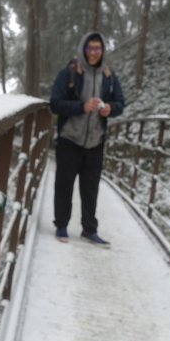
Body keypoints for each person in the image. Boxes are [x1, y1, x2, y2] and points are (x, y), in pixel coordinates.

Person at [49, 32, 125, 248]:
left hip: (95, 142)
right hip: (69, 140)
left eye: (97, 49)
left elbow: (120, 102)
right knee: (64, 185)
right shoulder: (70, 73)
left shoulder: (109, 76)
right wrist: (80, 107)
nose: (93, 53)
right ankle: (61, 225)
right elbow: (55, 103)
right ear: (83, 49)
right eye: (89, 48)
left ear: (102, 51)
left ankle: (89, 230)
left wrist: (111, 109)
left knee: (90, 188)